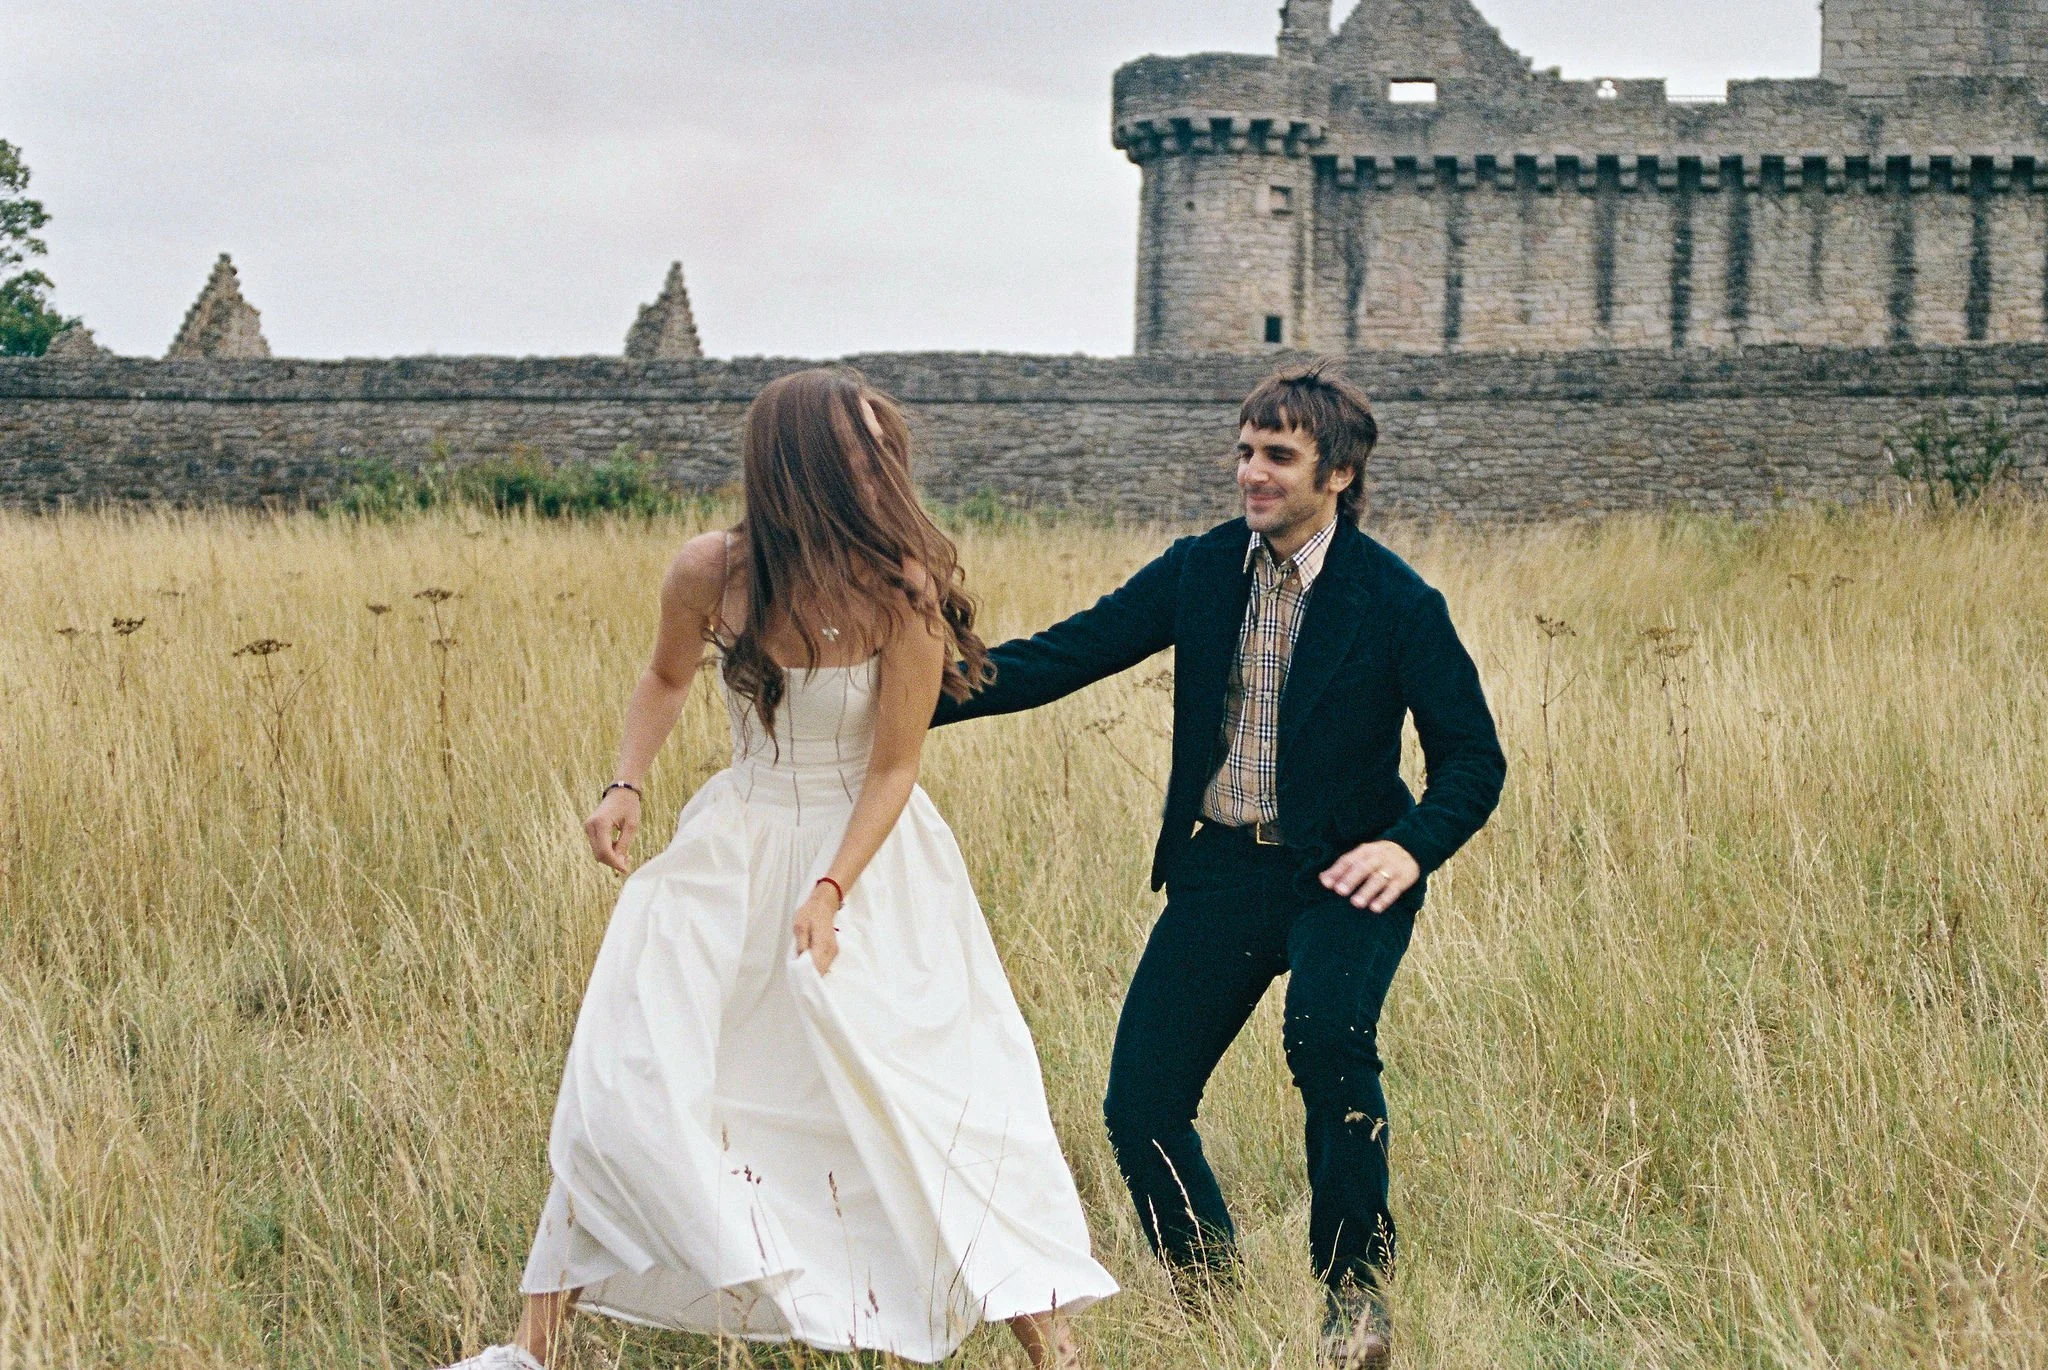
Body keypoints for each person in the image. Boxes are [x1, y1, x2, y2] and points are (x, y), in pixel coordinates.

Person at [442, 368, 1116, 1370]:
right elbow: (667, 674)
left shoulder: (904, 590)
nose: (881, 470)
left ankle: (1053, 1351)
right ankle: (530, 1348)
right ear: (796, 466)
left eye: (886, 449)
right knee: (633, 1077)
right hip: (735, 843)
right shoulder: (708, 570)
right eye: (858, 452)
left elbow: (891, 766)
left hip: (869, 860)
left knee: (932, 1096)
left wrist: (831, 888)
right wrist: (625, 781)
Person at [933, 362, 1505, 1369]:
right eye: (1244, 450)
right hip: (1222, 872)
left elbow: (1472, 757)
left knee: (1327, 1043)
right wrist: (917, 695)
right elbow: (1068, 652)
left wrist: (1407, 847)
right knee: (1140, 1102)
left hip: (1345, 872)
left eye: (1276, 454)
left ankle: (1352, 1303)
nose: (1251, 471)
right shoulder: (1200, 569)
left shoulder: (1396, 600)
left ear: (1339, 470)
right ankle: (1209, 1294)